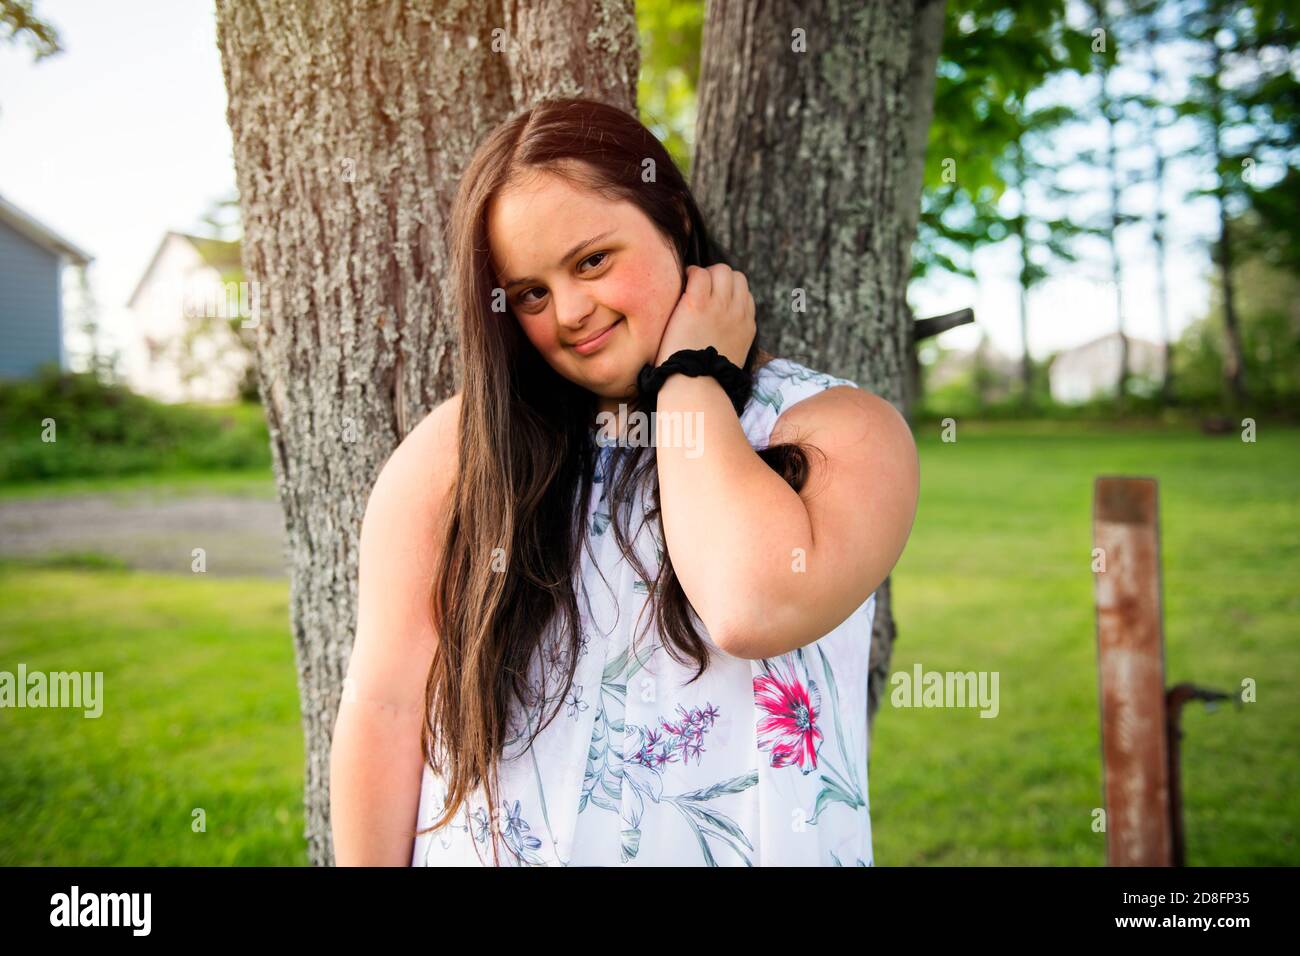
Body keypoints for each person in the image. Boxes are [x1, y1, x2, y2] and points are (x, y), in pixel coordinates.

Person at [330, 96, 919, 866]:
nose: (570, 312)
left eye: (593, 260)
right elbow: (385, 707)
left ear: (673, 221)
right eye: (533, 293)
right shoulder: (458, 454)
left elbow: (751, 605)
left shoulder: (835, 430)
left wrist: (691, 379)